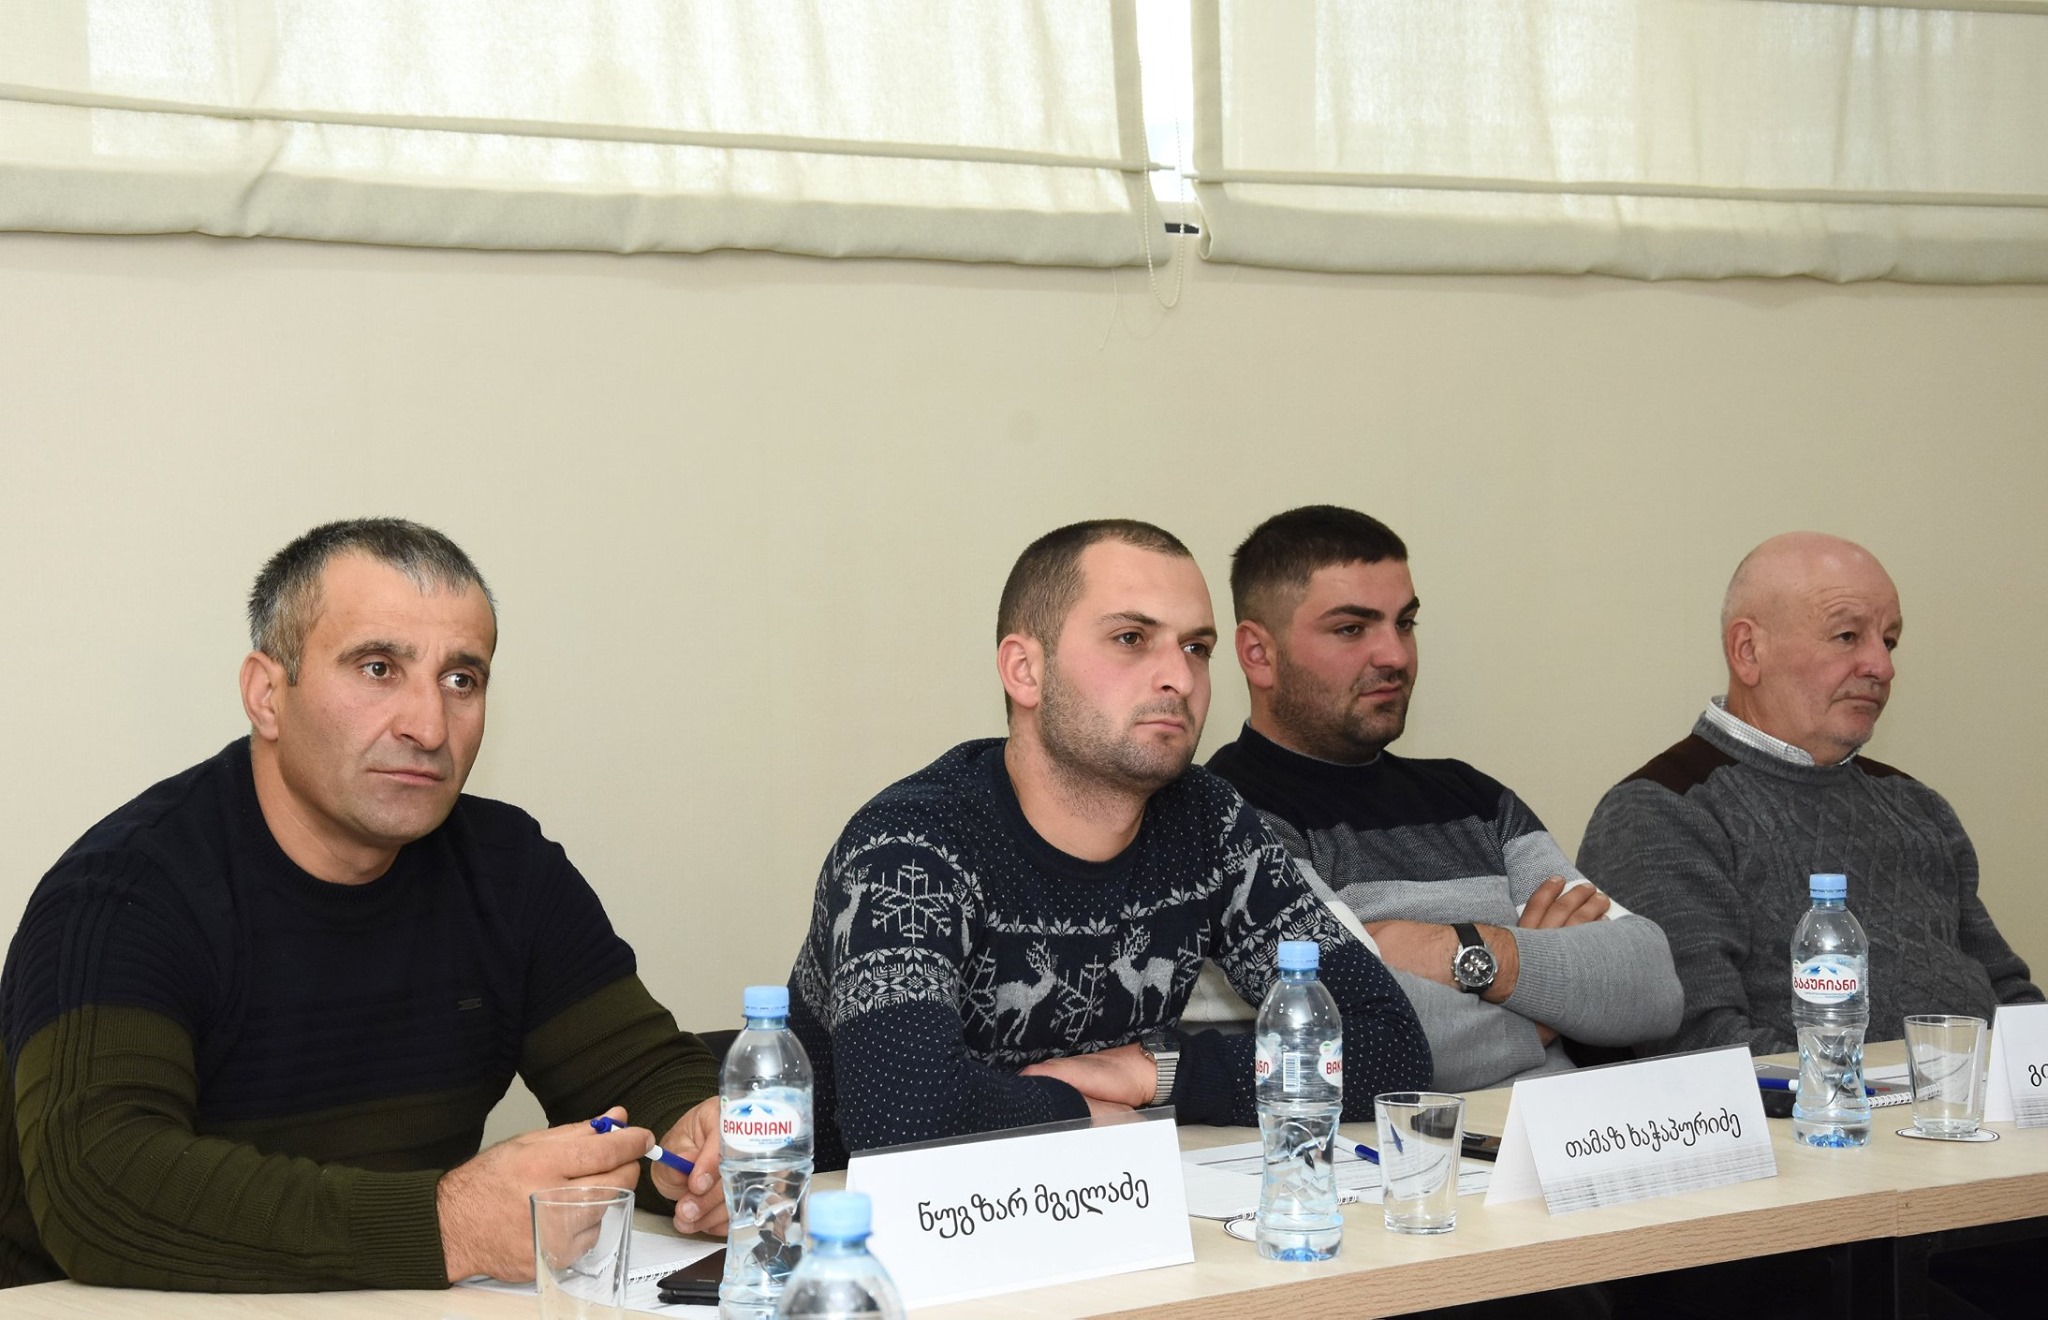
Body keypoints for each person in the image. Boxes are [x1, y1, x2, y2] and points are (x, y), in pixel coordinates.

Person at [0, 519, 728, 1292]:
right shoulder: (124, 893)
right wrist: (449, 1225)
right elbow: (101, 1188)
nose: (428, 726)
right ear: (266, 695)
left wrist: (697, 1142)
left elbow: (642, 1073)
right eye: (378, 668)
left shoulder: (505, 869)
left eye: (461, 680)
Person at [786, 519, 1430, 1168]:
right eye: (1131, 639)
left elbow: (1392, 1046)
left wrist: (1158, 1074)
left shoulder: (1209, 823)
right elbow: (899, 1114)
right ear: (1025, 670)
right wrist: (1077, 1114)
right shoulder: (910, 847)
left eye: (1197, 648)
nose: (1180, 678)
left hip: (1109, 1203)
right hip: (860, 1219)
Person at [1201, 506, 1682, 1091]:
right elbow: (1364, 1039)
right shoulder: (1225, 816)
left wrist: (1462, 949)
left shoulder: (1474, 798)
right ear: (1259, 653)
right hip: (1389, 1148)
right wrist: (1547, 1011)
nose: (1396, 656)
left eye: (1404, 623)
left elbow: (1653, 987)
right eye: (1352, 629)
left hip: (1567, 1136)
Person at [1578, 531, 2041, 1057]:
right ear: (1748, 651)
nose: (1882, 666)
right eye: (1847, 636)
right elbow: (1700, 1045)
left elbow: (2009, 994)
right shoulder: (1662, 810)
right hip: (1827, 1109)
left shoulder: (1914, 804)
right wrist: (1889, 1089)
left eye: (1888, 641)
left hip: (1973, 1102)